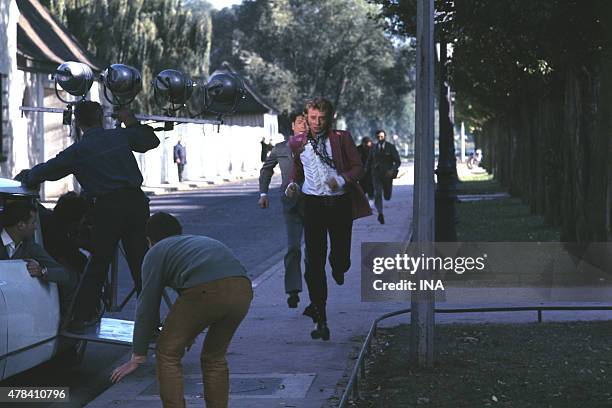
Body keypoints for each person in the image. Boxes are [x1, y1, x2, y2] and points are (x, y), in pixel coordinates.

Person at [17, 100, 160, 332]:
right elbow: (150, 140)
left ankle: (81, 317)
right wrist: (130, 120)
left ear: (77, 123)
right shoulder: (119, 137)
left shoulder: (78, 151)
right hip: (136, 204)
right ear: (101, 118)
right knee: (141, 264)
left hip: (108, 209)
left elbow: (48, 170)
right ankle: (152, 325)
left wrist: (28, 177)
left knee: (98, 264)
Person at [110, 212, 252, 408]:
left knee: (167, 353)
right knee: (214, 358)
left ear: (149, 240)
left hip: (205, 291)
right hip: (242, 290)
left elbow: (147, 305)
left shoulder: (156, 251)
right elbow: (189, 300)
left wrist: (138, 355)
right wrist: (188, 332)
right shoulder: (195, 242)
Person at [286, 97, 371, 341]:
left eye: (322, 118)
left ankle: (339, 266)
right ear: (306, 116)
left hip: (339, 204)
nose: (317, 122)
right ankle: (320, 317)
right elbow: (297, 168)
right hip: (313, 206)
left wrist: (342, 179)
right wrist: (293, 184)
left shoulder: (341, 138)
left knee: (340, 258)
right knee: (314, 263)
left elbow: (358, 168)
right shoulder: (298, 142)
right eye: (312, 117)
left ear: (329, 118)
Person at [258, 112, 307, 308]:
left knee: (313, 251)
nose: (303, 125)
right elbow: (266, 169)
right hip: (291, 203)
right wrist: (263, 194)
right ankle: (293, 290)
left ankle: (316, 294)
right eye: (300, 122)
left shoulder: (315, 147)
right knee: (293, 247)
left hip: (314, 204)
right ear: (293, 126)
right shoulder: (280, 149)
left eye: (306, 122)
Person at [0, 201, 76, 315]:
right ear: (21, 225)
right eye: (33, 223)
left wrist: (41, 271)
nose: (35, 227)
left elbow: (63, 274)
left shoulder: (30, 247)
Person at [366, 129, 401, 225]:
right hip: (376, 174)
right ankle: (380, 213)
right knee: (377, 193)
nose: (380, 138)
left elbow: (397, 161)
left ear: (385, 137)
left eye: (382, 136)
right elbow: (369, 161)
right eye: (378, 137)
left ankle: (386, 196)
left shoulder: (391, 147)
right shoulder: (373, 148)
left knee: (387, 196)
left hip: (387, 175)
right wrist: (364, 172)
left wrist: (392, 170)